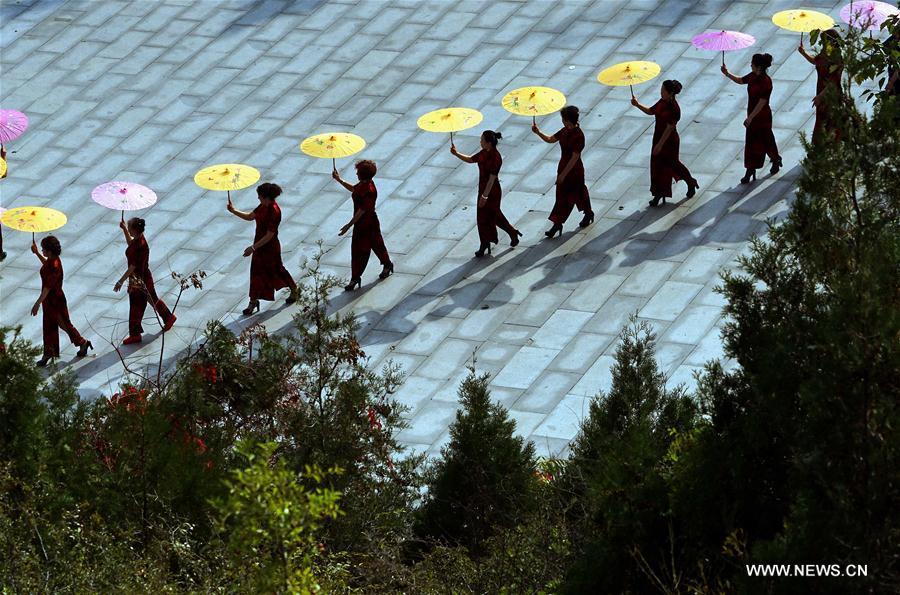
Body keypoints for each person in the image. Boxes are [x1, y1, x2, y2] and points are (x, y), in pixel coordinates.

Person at [227, 182, 297, 315]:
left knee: (277, 270)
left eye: (260, 196)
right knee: (256, 273)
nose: (258, 198)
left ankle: (294, 289)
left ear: (266, 197)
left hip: (270, 247)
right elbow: (250, 217)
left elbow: (270, 235)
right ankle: (253, 302)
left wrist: (253, 248)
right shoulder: (263, 206)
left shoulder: (275, 211)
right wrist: (234, 210)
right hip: (259, 246)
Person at [450, 130, 522, 257]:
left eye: (482, 140)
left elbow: (492, 178)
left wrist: (485, 196)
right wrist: (456, 153)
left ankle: (511, 232)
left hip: (492, 192)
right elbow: (471, 159)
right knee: (482, 218)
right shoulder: (483, 153)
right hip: (482, 189)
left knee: (495, 216)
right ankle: (485, 243)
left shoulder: (496, 157)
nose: (480, 142)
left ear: (489, 143)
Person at [630, 80, 699, 206]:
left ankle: (690, 182)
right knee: (657, 167)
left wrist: (660, 145)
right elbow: (651, 111)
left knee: (674, 165)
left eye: (663, 90)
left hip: (669, 141)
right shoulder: (662, 102)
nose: (661, 92)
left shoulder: (674, 108)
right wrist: (637, 104)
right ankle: (658, 193)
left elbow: (669, 128)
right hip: (658, 137)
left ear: (670, 93)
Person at [532, 105, 594, 238]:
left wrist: (563, 175)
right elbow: (551, 139)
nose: (562, 121)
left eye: (563, 119)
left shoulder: (579, 135)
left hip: (574, 170)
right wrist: (538, 132)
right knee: (562, 197)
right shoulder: (564, 131)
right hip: (563, 167)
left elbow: (575, 157)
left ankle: (587, 213)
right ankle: (557, 223)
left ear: (567, 120)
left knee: (577, 194)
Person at [112, 217, 176, 345]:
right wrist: (124, 229)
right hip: (140, 278)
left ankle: (135, 334)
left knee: (136, 305)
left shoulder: (141, 245)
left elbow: (133, 267)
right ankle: (168, 317)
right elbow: (131, 244)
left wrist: (120, 281)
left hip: (140, 279)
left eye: (130, 228)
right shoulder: (138, 240)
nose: (129, 231)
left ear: (135, 230)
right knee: (152, 299)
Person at [332, 159, 393, 291]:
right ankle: (355, 277)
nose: (356, 174)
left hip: (369, 223)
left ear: (363, 174)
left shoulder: (369, 190)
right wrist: (339, 179)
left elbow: (362, 211)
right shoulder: (363, 184)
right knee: (358, 251)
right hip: (361, 224)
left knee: (377, 246)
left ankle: (387, 264)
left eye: (358, 172)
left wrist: (349, 225)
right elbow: (354, 190)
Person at [30, 235, 92, 366]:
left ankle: (83, 342)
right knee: (48, 327)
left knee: (64, 325)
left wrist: (37, 304)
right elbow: (46, 265)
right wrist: (36, 253)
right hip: (49, 300)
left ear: (50, 251)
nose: (42, 251)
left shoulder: (55, 265)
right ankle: (48, 353)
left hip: (55, 301)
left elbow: (47, 288)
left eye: (43, 249)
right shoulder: (52, 260)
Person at [722, 53, 782, 183]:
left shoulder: (766, 81)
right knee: (751, 143)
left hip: (762, 116)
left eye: (752, 64)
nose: (750, 65)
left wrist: (751, 118)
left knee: (767, 141)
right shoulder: (752, 76)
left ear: (758, 66)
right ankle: (750, 169)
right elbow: (740, 80)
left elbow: (762, 102)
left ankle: (776, 159)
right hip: (752, 115)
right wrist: (727, 73)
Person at [798, 28, 844, 143]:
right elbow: (816, 61)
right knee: (822, 117)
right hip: (821, 89)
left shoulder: (836, 58)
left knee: (830, 119)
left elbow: (833, 81)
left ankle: (831, 142)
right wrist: (803, 53)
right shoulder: (824, 53)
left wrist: (820, 96)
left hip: (831, 93)